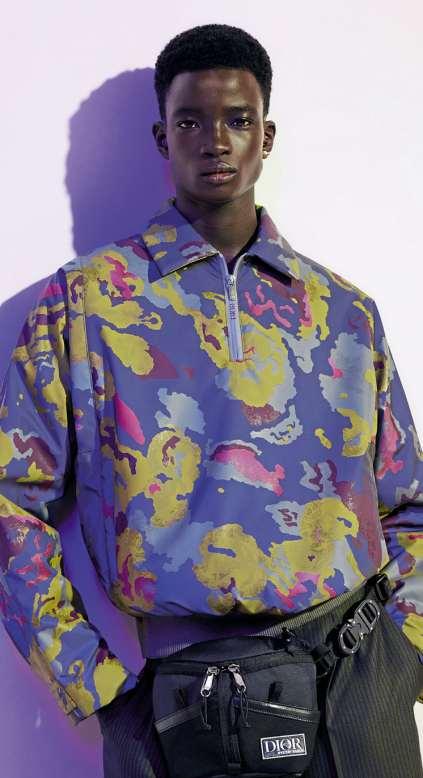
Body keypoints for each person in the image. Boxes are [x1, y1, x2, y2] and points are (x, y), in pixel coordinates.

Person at [0, 21, 422, 778]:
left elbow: (409, 501)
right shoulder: (85, 303)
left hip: (354, 677)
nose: (216, 142)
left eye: (237, 120)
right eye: (191, 121)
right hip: (178, 694)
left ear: (267, 136)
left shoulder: (343, 311)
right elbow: (9, 501)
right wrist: (92, 682)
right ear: (162, 138)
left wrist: (405, 651)